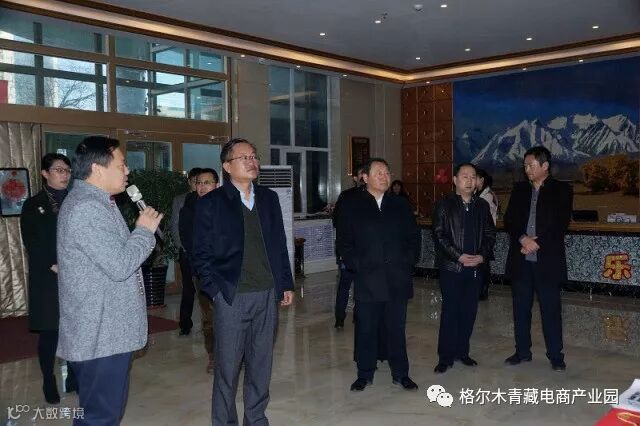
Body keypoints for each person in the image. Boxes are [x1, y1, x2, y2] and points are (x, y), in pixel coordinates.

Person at [57, 136, 163, 425]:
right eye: (121, 164)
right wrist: (144, 231)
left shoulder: (98, 201)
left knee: (101, 414)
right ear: (98, 168)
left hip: (105, 332)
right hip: (100, 334)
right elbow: (119, 266)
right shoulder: (87, 207)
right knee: (100, 417)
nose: (127, 170)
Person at [192, 138, 294, 425]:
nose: (252, 162)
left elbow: (279, 244)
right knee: (227, 369)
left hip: (267, 294)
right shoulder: (211, 203)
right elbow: (200, 253)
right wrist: (215, 291)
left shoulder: (269, 198)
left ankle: (256, 418)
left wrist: (285, 283)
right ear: (227, 166)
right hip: (231, 295)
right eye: (244, 157)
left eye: (254, 156)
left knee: (261, 364)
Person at [337, 158, 419, 392]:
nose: (384, 176)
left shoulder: (399, 204)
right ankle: (365, 374)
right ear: (365, 177)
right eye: (379, 172)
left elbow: (413, 238)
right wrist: (357, 265)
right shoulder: (352, 205)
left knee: (396, 329)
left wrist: (408, 262)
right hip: (368, 278)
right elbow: (344, 242)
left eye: (387, 172)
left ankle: (401, 374)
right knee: (366, 329)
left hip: (397, 278)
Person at [503, 146, 573, 371]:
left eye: (531, 165)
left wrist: (536, 243)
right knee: (520, 309)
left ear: (545, 166)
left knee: (550, 310)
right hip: (521, 261)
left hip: (547, 261)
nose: (527, 170)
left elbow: (560, 224)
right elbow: (510, 220)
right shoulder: (519, 190)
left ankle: (556, 355)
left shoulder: (562, 190)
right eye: (524, 165)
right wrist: (523, 239)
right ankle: (522, 351)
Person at [20, 153, 77, 404]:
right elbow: (32, 242)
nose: (65, 175)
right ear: (45, 173)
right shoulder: (34, 204)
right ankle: (48, 379)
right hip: (48, 277)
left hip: (76, 276)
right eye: (58, 170)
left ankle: (74, 376)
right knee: (51, 332)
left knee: (74, 330)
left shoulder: (76, 200)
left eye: (67, 170)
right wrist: (52, 265)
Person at [432, 163, 496, 374]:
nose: (469, 180)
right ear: (455, 180)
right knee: (450, 312)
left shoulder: (482, 206)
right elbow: (439, 235)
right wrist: (458, 256)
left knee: (469, 311)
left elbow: (490, 234)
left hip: (475, 267)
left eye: (473, 177)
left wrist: (481, 256)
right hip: (452, 267)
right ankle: (445, 357)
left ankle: (462, 352)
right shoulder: (444, 204)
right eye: (465, 176)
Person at [179, 168, 219, 373]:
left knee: (231, 317)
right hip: (203, 271)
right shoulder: (189, 208)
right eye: (199, 183)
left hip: (227, 270)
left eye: (207, 183)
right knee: (209, 317)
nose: (202, 187)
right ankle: (213, 357)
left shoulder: (226, 206)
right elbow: (189, 242)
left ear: (217, 185)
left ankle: (234, 355)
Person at [331, 165, 364, 329]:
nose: (364, 178)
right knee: (345, 284)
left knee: (361, 285)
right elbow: (336, 221)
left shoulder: (373, 196)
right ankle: (340, 317)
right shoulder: (346, 196)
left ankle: (358, 316)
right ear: (355, 178)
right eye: (361, 175)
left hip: (365, 250)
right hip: (348, 250)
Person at [171, 167, 202, 336]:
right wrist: (181, 247)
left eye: (201, 181)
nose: (198, 185)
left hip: (204, 252)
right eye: (195, 181)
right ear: (189, 182)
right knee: (188, 288)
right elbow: (175, 225)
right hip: (186, 251)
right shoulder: (180, 200)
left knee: (205, 288)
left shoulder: (209, 198)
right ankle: (185, 324)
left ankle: (209, 322)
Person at [475, 168, 499, 300]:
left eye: (475, 178)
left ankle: (483, 291)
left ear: (482, 180)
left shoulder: (488, 195)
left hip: (485, 234)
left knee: (483, 264)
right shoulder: (478, 193)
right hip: (478, 234)